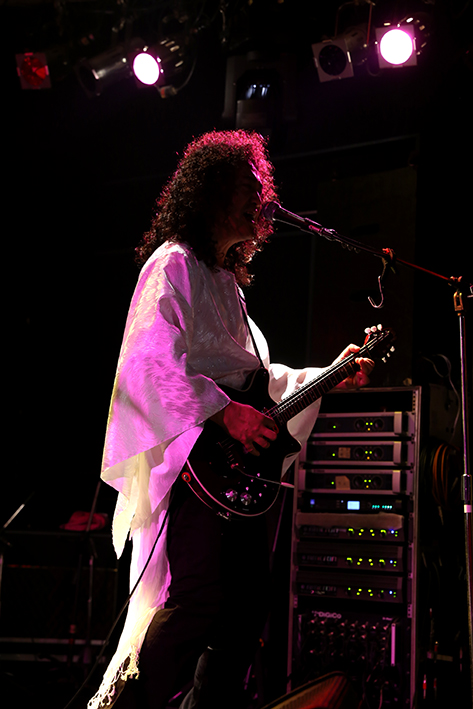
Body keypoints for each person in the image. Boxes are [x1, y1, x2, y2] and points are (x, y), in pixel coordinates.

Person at [88, 130, 373, 709]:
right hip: (198, 463)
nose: (261, 197)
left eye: (263, 184)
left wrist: (330, 373)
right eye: (249, 185)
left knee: (246, 607)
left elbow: (254, 380)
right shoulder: (173, 264)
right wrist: (225, 415)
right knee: (199, 600)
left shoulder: (226, 282)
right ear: (213, 191)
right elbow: (148, 361)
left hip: (235, 473)